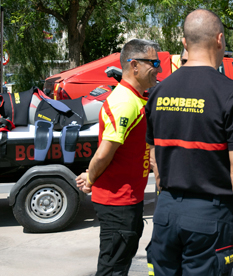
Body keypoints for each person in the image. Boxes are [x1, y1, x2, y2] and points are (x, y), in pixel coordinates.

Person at [144, 9, 233, 276]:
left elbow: (154, 159)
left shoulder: (158, 92)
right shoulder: (232, 95)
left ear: (185, 43)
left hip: (166, 212)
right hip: (209, 216)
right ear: (220, 39)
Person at [75, 38, 161, 276]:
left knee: (119, 265)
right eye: (153, 62)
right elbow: (104, 153)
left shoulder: (135, 98)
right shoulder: (124, 101)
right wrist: (90, 178)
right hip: (118, 203)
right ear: (134, 65)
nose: (158, 68)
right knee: (112, 269)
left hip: (128, 200)